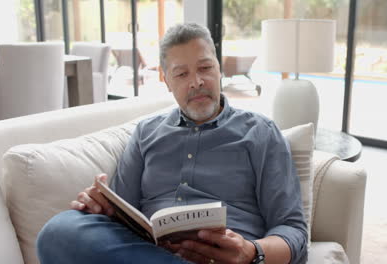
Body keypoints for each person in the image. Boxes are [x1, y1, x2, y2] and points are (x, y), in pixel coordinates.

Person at [37, 23, 308, 264]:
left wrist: (251, 251)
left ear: (219, 69)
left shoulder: (260, 132)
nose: (197, 82)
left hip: (221, 258)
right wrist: (101, 207)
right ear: (166, 82)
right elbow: (121, 216)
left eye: (205, 68)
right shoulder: (146, 133)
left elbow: (293, 231)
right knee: (58, 230)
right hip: (145, 252)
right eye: (181, 74)